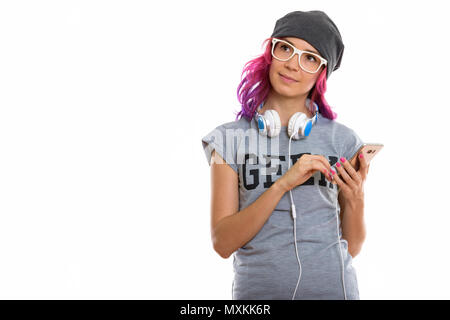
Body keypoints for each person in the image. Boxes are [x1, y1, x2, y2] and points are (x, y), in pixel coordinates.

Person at [201, 10, 370, 300]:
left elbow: (350, 248)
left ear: (321, 73)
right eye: (285, 48)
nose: (293, 64)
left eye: (310, 58)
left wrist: (355, 199)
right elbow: (222, 243)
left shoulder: (344, 141)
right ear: (271, 53)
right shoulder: (226, 139)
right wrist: (282, 184)